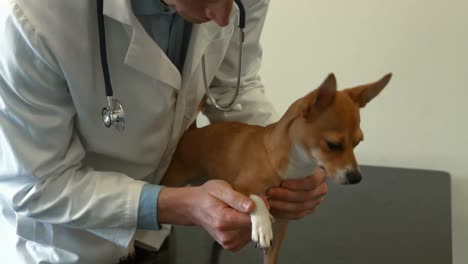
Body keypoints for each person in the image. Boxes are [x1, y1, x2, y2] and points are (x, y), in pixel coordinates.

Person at [0, 0, 328, 263]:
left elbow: (232, 87)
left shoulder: (232, 5)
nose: (223, 15)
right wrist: (175, 205)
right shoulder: (31, 15)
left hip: (159, 237)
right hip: (68, 244)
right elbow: (37, 185)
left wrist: (286, 159)